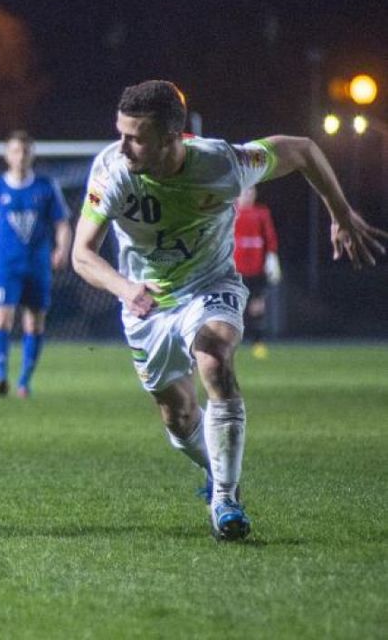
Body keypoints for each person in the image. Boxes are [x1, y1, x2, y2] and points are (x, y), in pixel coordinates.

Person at [71, 80, 387, 540]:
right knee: (177, 416)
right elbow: (82, 254)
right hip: (148, 303)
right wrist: (125, 288)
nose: (123, 145)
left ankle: (225, 499)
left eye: (135, 136)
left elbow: (301, 150)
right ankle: (215, 471)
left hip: (209, 285)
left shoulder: (221, 163)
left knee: (215, 357)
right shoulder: (111, 171)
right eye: (120, 133)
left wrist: (340, 214)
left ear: (172, 138)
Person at [0, 132, 72, 398]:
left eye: (26, 151)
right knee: (2, 318)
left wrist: (62, 248)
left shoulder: (46, 186)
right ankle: (1, 375)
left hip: (37, 267)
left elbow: (62, 223)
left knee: (34, 324)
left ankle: (24, 382)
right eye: (16, 151)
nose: (21, 156)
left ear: (33, 154)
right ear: (7, 154)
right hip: (4, 267)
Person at [233, 186, 281, 359]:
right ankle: (231, 343)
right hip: (235, 270)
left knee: (257, 305)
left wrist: (272, 258)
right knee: (233, 307)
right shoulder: (231, 212)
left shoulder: (261, 213)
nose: (247, 195)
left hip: (256, 268)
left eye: (250, 191)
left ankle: (258, 343)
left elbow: (270, 237)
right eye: (244, 191)